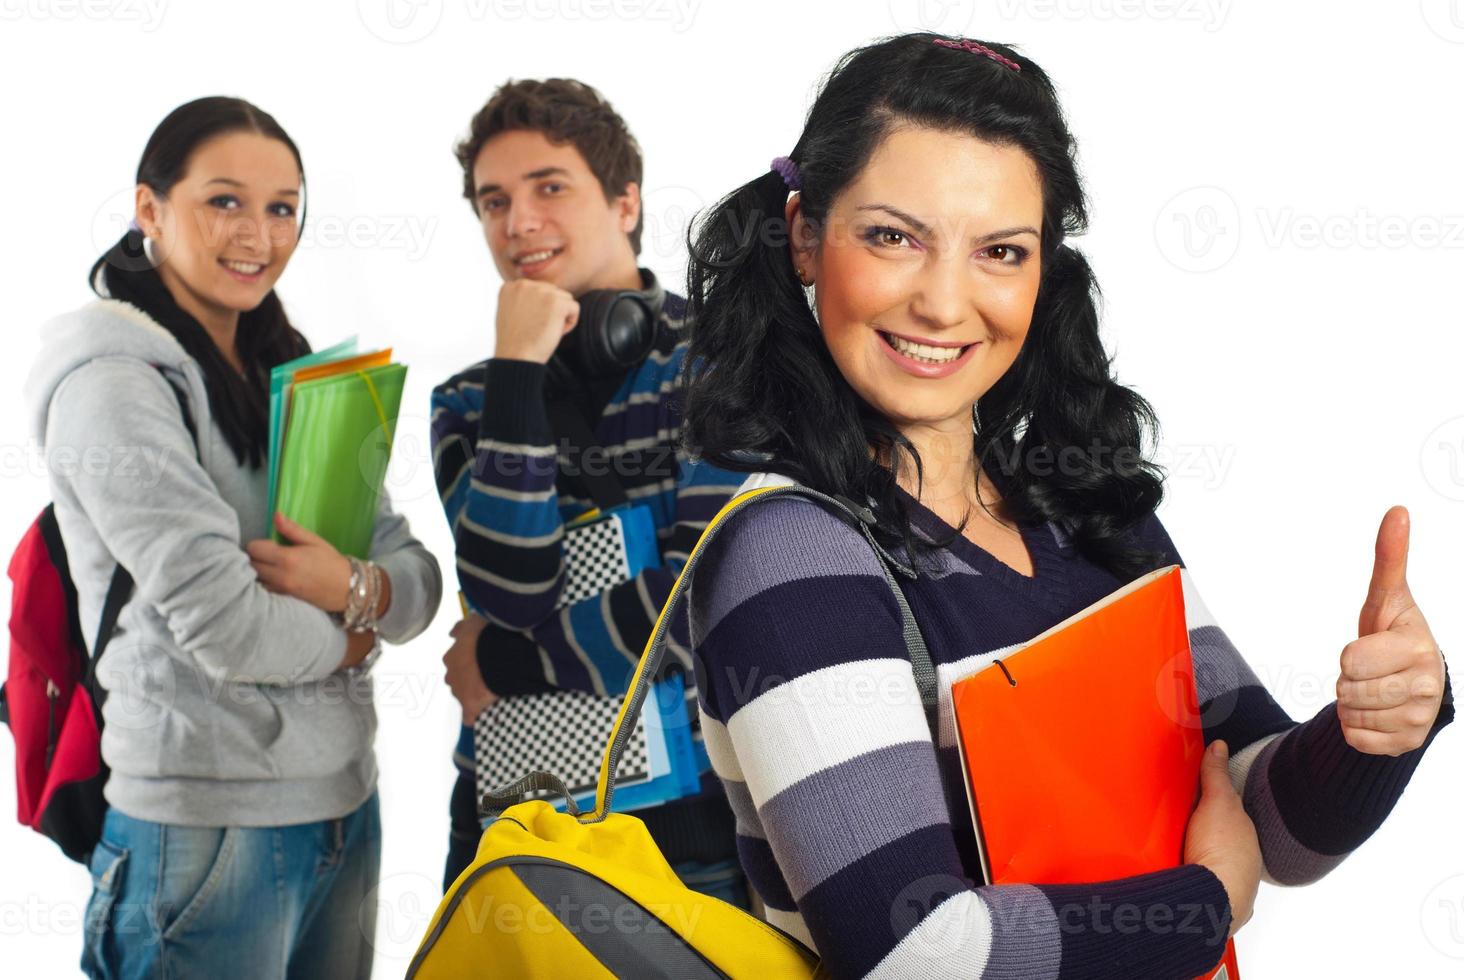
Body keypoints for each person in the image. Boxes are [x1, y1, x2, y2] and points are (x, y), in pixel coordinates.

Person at [680, 33, 1455, 978]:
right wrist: (1205, 906)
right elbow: (913, 956)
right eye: (893, 236)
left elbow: (1269, 831)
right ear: (804, 236)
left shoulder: (1085, 508)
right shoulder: (790, 555)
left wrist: (1378, 730)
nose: (942, 301)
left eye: (1000, 251)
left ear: (1043, 270)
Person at [23, 96, 443, 979]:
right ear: (149, 209)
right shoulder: (113, 379)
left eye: (282, 206)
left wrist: (355, 589)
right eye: (224, 200)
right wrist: (361, 622)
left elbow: (417, 576)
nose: (258, 232)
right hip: (203, 838)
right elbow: (230, 626)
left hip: (342, 809)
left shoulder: (301, 372)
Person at [430, 78, 748, 905]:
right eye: (492, 201)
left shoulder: (719, 362)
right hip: (508, 823)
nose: (518, 222)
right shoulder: (471, 401)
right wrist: (517, 374)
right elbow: (510, 582)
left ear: (626, 201)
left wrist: (502, 659)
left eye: (550, 187)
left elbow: (696, 609)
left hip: (692, 835)